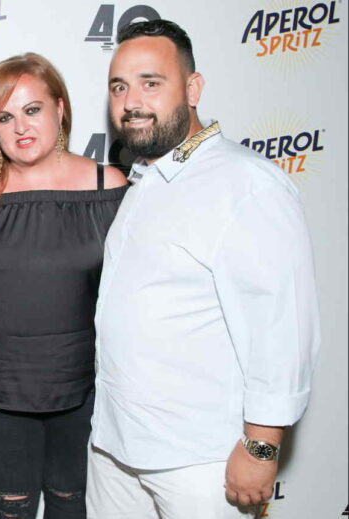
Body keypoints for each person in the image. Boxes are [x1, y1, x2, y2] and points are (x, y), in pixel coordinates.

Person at [87, 19, 320, 519]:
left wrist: (262, 446)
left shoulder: (247, 183)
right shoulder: (144, 180)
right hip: (115, 447)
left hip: (199, 460)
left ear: (193, 89)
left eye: (151, 82)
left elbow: (282, 326)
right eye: (119, 87)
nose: (131, 102)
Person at [0, 53, 128, 519]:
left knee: (71, 505)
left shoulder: (107, 185)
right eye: (4, 117)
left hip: (86, 385)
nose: (20, 127)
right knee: (9, 510)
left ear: (60, 108)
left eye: (32, 110)